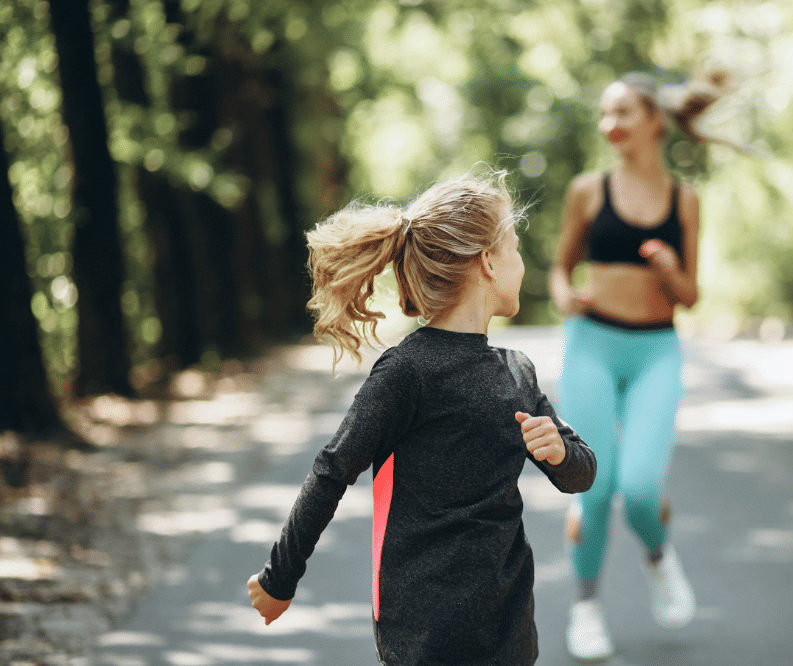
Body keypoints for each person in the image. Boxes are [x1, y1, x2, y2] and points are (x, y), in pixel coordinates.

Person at [246, 171, 597, 666]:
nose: (522, 262)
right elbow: (333, 469)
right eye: (515, 248)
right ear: (489, 263)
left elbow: (581, 474)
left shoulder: (517, 372)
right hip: (421, 630)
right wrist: (280, 576)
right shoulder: (407, 371)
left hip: (508, 627)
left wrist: (561, 453)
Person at [549, 68, 736, 660]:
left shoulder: (684, 199)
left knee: (637, 487)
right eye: (605, 114)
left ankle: (659, 557)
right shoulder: (587, 189)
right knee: (595, 488)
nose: (611, 125)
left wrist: (666, 268)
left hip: (656, 350)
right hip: (592, 346)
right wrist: (564, 296)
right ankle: (585, 608)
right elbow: (559, 268)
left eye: (623, 113)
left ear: (655, 121)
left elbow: (690, 294)